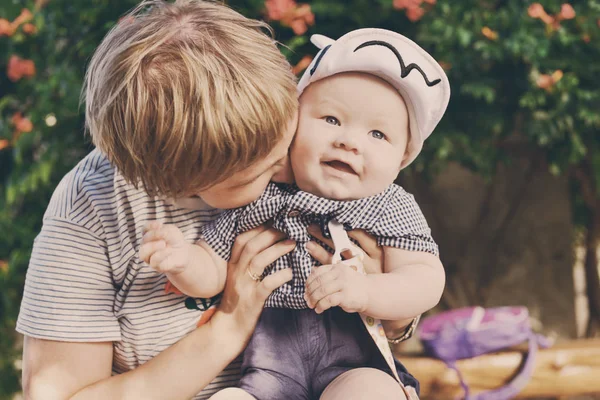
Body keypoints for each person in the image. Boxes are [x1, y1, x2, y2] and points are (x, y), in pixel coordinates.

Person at [16, 2, 415, 399]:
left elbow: (397, 294)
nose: (285, 171)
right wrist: (227, 328)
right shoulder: (92, 208)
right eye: (258, 172)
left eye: (285, 144)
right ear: (175, 184)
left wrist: (388, 305)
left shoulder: (299, 137)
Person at [140, 28, 450, 400]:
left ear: (403, 158)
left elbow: (425, 279)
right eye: (332, 120)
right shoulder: (262, 194)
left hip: (353, 365)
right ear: (293, 124)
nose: (349, 141)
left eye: (378, 135)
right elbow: (213, 271)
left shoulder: (389, 206)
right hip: (270, 370)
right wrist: (183, 261)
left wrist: (366, 289)